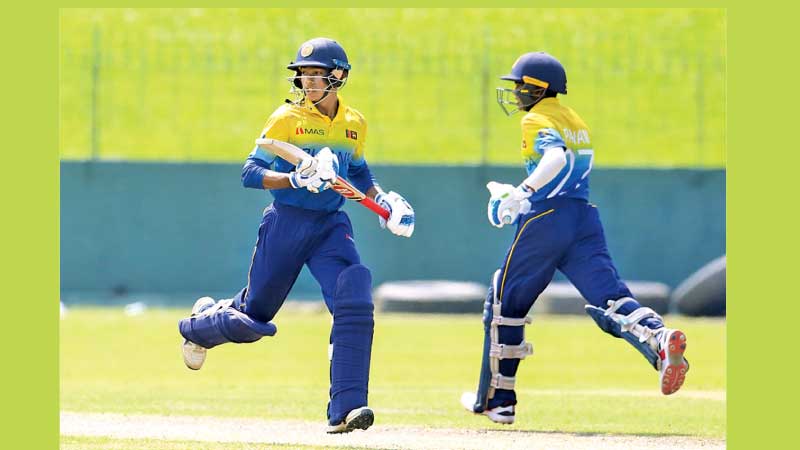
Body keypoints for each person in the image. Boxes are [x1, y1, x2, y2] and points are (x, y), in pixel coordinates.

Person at [177, 37, 415, 434]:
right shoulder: (285, 120)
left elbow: (357, 171)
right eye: (302, 75)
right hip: (287, 222)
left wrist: (383, 201)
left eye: (315, 74)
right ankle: (198, 325)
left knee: (354, 294)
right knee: (252, 319)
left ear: (338, 76)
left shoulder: (353, 123)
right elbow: (250, 172)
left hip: (330, 226)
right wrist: (294, 178)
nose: (306, 82)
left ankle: (346, 408)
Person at [460, 52, 689, 425]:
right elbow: (571, 166)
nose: (516, 92)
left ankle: (498, 400)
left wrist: (523, 192)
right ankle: (660, 339)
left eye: (520, 86)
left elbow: (557, 159)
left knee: (504, 304)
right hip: (583, 218)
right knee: (611, 298)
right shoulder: (575, 120)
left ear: (537, 88)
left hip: (547, 219)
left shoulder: (537, 118)